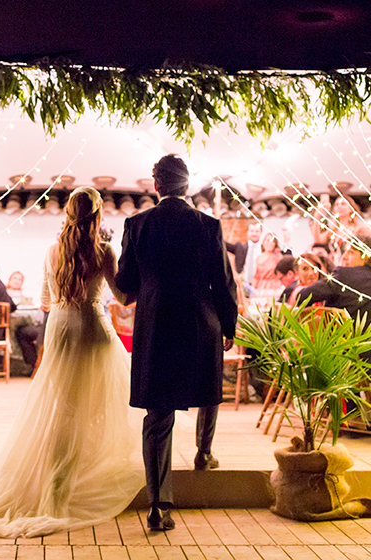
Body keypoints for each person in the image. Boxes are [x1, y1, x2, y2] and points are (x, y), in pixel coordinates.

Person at [0, 186, 143, 537]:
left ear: (68, 213)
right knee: (98, 406)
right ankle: (71, 482)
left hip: (61, 329)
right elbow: (125, 298)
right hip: (94, 331)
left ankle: (58, 484)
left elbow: (45, 300)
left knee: (64, 410)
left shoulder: (53, 250)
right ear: (97, 215)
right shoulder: (105, 250)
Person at [115, 154, 238, 531]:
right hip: (201, 321)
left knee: (158, 414)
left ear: (156, 186)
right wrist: (228, 325)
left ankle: (158, 505)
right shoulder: (209, 225)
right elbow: (223, 281)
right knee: (208, 387)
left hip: (156, 325)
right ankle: (204, 453)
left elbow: (126, 284)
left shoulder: (137, 225)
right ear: (187, 186)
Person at [297, 237, 371, 325]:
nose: (344, 257)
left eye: (351, 252)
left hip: (337, 337)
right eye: (344, 252)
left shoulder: (344, 276)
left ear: (365, 258)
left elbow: (303, 297)